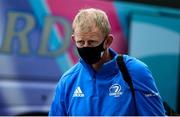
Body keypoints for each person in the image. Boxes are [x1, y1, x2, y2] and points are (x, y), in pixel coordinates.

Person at [49, 8, 166, 116]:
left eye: (91, 42)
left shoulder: (135, 71)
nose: (85, 47)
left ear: (108, 41)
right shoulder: (68, 80)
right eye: (81, 42)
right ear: (74, 40)